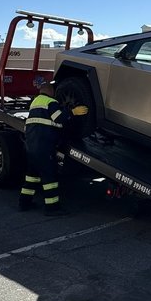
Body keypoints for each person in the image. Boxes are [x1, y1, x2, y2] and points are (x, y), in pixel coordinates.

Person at [19, 82, 88, 216]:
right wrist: (73, 112)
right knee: (49, 178)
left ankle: (24, 203)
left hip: (31, 147)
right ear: (51, 92)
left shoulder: (34, 103)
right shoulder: (50, 102)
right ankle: (52, 208)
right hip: (44, 148)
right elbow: (60, 118)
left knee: (31, 177)